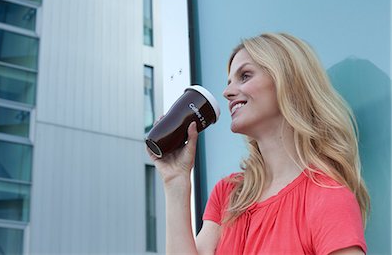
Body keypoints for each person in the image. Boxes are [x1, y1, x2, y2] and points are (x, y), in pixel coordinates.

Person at [147, 33, 370, 255]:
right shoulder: (229, 194)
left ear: (288, 82)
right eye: (229, 82)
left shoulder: (328, 198)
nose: (227, 93)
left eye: (245, 76)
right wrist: (176, 180)